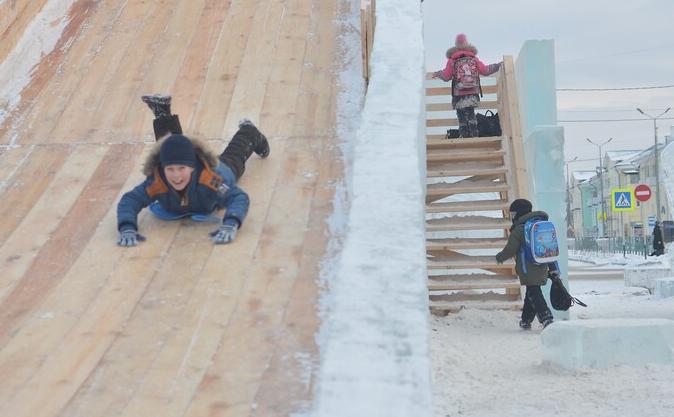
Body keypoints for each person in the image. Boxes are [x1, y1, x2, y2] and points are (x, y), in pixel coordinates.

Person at [116, 94, 270, 246]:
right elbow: (130, 200)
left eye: (181, 168)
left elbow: (237, 198)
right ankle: (163, 114)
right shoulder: (157, 181)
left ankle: (249, 132)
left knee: (234, 156)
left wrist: (231, 222)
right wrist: (127, 227)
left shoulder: (211, 179)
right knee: (171, 147)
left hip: (222, 168)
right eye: (170, 169)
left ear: (192, 167)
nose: (176, 176)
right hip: (180, 164)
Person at [495, 199, 556, 329]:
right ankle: (525, 320)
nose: (512, 217)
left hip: (527, 267)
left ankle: (546, 317)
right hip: (541, 264)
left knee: (534, 292)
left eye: (513, 214)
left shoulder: (520, 229)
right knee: (531, 291)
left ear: (519, 213)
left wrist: (500, 257)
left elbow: (511, 249)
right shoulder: (539, 225)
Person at [432, 33, 501, 138]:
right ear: (467, 43)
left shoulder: (452, 60)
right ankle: (474, 135)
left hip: (458, 93)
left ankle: (464, 136)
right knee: (470, 112)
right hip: (472, 91)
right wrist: (498, 65)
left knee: (461, 115)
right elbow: (485, 70)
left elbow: (446, 76)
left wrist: (438, 73)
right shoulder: (473, 58)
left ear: (456, 44)